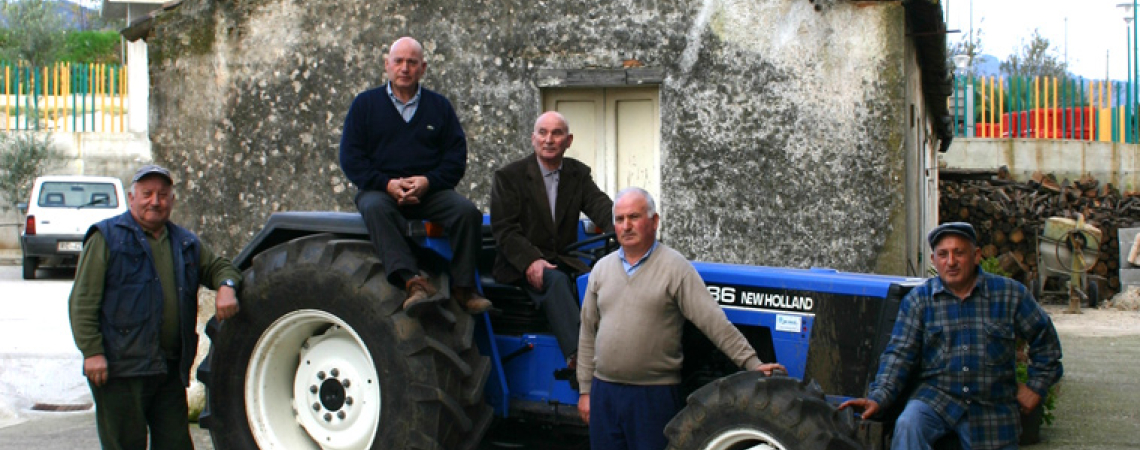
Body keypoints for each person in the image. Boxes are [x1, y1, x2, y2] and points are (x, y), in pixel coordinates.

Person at [576, 187, 785, 450]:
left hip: (653, 397)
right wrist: (585, 391)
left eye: (634, 217)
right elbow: (587, 332)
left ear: (654, 221)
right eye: (620, 219)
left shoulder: (676, 268)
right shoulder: (601, 269)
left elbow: (713, 321)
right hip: (605, 394)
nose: (626, 226)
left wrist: (752, 363)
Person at [839, 222, 1063, 450]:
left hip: (991, 405)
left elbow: (1047, 344)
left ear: (976, 256)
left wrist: (1036, 386)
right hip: (936, 399)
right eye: (943, 254)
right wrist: (878, 398)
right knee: (908, 424)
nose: (951, 262)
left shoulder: (1010, 295)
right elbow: (899, 355)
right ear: (934, 260)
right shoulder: (919, 301)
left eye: (959, 253)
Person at [69, 164, 241, 450]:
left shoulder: (185, 243)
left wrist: (226, 286)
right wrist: (92, 352)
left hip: (167, 370)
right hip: (120, 370)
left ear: (172, 200)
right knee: (124, 444)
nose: (155, 201)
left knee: (176, 444)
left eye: (163, 194)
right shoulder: (106, 238)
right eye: (147, 194)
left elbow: (221, 267)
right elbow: (83, 300)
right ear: (131, 197)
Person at [339, 36, 489, 314]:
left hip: (429, 192)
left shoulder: (439, 107)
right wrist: (386, 184)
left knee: (467, 212)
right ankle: (413, 281)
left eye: (412, 62)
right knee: (373, 208)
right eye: (399, 61)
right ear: (387, 65)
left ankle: (464, 288)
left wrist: (427, 182)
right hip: (381, 190)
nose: (405, 68)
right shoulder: (365, 105)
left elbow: (455, 158)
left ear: (423, 67)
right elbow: (351, 158)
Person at [490, 111, 613, 368]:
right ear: (533, 139)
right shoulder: (509, 177)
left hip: (562, 258)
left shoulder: (577, 174)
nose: (549, 139)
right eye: (543, 133)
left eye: (557, 133)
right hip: (519, 264)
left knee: (598, 278)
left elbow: (601, 207)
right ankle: (579, 357)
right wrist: (531, 261)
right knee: (556, 281)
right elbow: (505, 229)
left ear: (568, 141)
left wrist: (627, 225)